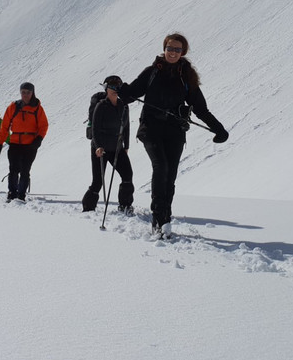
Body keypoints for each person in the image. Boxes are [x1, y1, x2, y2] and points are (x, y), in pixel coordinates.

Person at [118, 33, 228, 237]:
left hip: (175, 132)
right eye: (170, 48)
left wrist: (218, 128)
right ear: (164, 49)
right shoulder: (151, 72)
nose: (173, 52)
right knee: (161, 168)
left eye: (177, 49)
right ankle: (159, 220)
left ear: (183, 52)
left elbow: (200, 109)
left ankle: (165, 216)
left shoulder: (187, 77)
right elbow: (131, 94)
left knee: (170, 176)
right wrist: (118, 91)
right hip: (150, 129)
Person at [81, 76, 135, 213]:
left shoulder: (123, 106)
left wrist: (126, 146)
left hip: (117, 148)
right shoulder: (101, 106)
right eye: (112, 87)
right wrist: (98, 146)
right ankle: (88, 208)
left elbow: (126, 127)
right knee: (98, 182)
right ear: (106, 88)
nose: (115, 90)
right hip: (101, 148)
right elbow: (95, 129)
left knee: (127, 175)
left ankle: (125, 205)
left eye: (118, 87)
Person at [0, 83, 49, 202]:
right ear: (20, 92)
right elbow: (4, 126)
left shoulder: (38, 108)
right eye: (23, 92)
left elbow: (43, 126)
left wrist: (38, 139)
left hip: (30, 145)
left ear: (32, 93)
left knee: (25, 170)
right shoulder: (13, 107)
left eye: (28, 92)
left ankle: (21, 194)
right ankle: (12, 192)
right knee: (13, 169)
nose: (25, 95)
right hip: (15, 143)